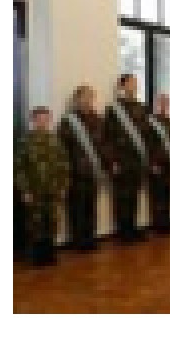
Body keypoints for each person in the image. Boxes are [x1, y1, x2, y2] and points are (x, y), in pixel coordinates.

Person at [14, 107, 71, 266]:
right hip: (34, 191)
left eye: (46, 119)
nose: (42, 122)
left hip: (53, 190)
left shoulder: (56, 141)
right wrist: (25, 190)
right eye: (39, 119)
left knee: (52, 222)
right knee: (35, 224)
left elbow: (64, 165)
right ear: (33, 120)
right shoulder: (25, 141)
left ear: (49, 120)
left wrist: (63, 186)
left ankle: (49, 254)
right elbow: (19, 168)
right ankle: (36, 256)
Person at [103, 74, 151, 242]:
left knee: (134, 195)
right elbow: (107, 137)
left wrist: (147, 156)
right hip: (122, 159)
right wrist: (113, 161)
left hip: (137, 159)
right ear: (122, 86)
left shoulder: (141, 107)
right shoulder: (114, 109)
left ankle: (132, 228)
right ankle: (123, 231)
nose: (134, 85)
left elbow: (146, 133)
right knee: (122, 196)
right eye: (131, 83)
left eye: (135, 83)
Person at [59, 85, 106, 250]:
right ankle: (78, 241)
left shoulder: (98, 119)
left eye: (91, 97)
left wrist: (106, 165)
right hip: (76, 173)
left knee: (91, 207)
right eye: (85, 96)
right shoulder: (68, 121)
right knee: (76, 208)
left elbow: (104, 144)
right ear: (77, 99)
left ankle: (90, 238)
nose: (88, 100)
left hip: (93, 172)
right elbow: (63, 149)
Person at [147, 93, 170, 233]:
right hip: (158, 164)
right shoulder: (151, 122)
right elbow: (149, 144)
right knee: (158, 196)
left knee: (168, 194)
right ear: (157, 104)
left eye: (167, 103)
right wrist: (153, 163)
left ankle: (167, 222)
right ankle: (158, 225)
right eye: (162, 102)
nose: (164, 105)